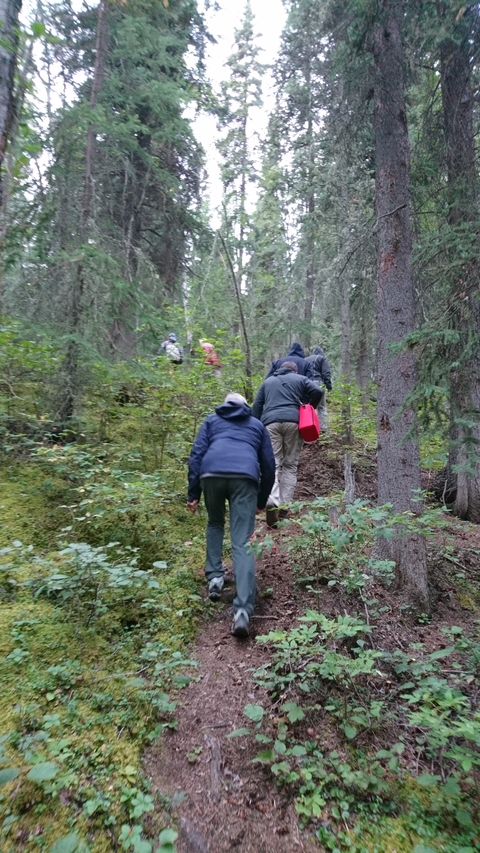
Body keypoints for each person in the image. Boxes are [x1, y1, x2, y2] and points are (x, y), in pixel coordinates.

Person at [187, 392, 275, 639]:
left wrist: (193, 493)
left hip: (211, 474)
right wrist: (261, 500)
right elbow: (269, 465)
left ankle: (215, 578)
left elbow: (196, 456)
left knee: (215, 522)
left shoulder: (211, 421)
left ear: (225, 404)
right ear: (246, 406)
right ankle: (243, 611)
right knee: (243, 540)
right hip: (244, 478)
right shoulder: (256, 425)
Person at [251, 362, 322, 527]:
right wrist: (309, 406)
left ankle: (271, 500)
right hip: (294, 422)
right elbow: (318, 391)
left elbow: (256, 406)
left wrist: (255, 426)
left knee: (273, 464)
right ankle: (284, 506)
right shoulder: (300, 379)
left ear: (279, 369)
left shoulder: (268, 382)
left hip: (270, 424)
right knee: (290, 465)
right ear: (294, 370)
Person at [305, 345, 333, 430]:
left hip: (307, 383)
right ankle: (323, 429)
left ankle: (308, 427)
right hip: (318, 383)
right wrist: (328, 386)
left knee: (308, 407)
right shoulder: (321, 358)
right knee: (322, 407)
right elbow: (326, 373)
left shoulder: (305, 359)